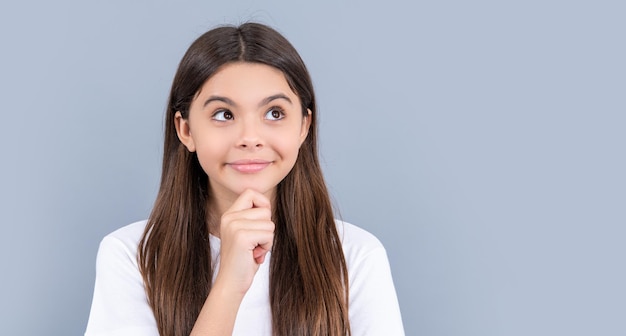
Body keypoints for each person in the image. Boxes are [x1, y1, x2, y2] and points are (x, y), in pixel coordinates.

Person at [85, 22, 404, 336]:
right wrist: (228, 286)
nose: (250, 138)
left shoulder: (356, 257)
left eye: (274, 113)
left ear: (304, 126)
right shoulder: (131, 256)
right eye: (224, 114)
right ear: (185, 130)